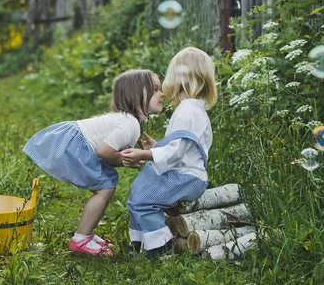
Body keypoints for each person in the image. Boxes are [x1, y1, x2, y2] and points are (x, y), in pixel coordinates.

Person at [23, 69, 164, 256]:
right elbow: (104, 152)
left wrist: (134, 155)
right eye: (155, 90)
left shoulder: (129, 121)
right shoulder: (130, 124)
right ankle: (81, 239)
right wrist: (126, 160)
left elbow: (108, 150)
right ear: (136, 95)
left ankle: (86, 234)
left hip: (78, 143)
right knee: (105, 188)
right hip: (76, 147)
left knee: (106, 184)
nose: (161, 94)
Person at [120, 47, 217, 257]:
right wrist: (157, 149)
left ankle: (161, 247)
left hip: (184, 176)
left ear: (180, 78)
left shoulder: (187, 112)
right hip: (186, 174)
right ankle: (139, 243)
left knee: (143, 201)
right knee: (137, 196)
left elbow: (177, 153)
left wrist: (145, 155)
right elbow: (182, 148)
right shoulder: (193, 110)